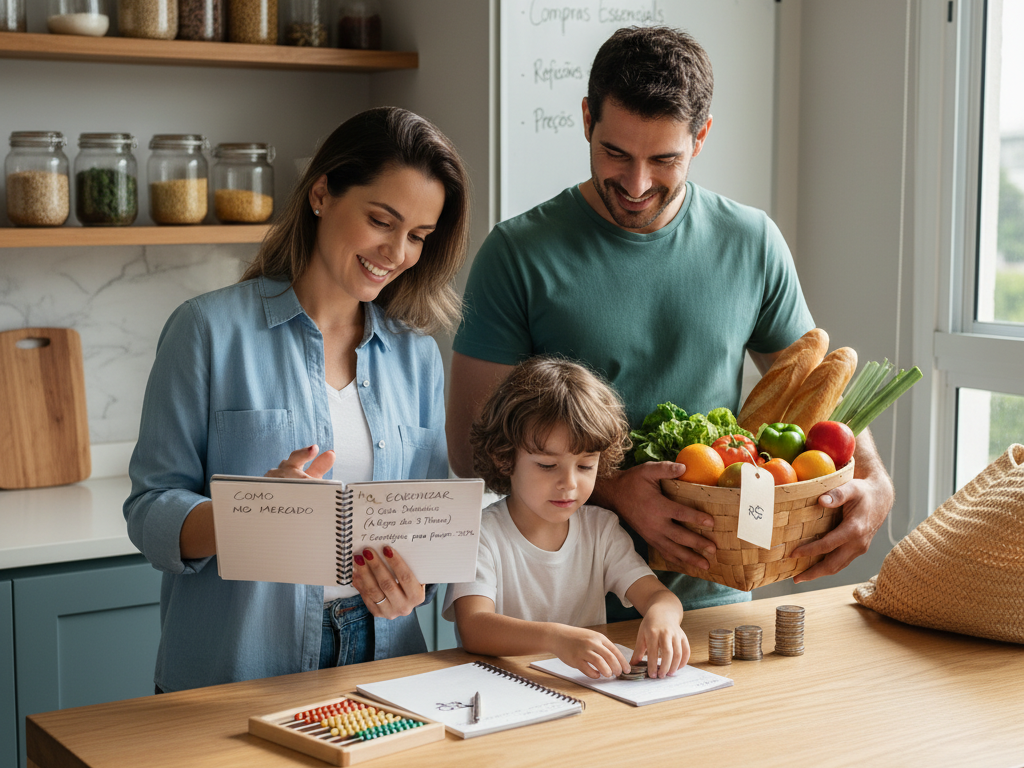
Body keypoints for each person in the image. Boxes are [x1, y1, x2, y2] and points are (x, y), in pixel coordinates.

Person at [446, 26, 895, 620]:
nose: (636, 185)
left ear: (701, 137)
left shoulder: (751, 241)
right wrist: (613, 488)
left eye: (664, 160)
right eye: (615, 153)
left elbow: (819, 388)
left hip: (720, 594)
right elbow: (469, 448)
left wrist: (875, 481)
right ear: (587, 119)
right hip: (563, 610)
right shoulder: (517, 253)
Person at [124, 106, 471, 692]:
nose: (397, 252)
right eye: (381, 221)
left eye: (418, 236)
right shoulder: (207, 331)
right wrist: (250, 514)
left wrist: (416, 585)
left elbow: (427, 529)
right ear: (321, 193)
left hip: (382, 662)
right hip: (239, 666)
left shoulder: (418, 356)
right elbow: (149, 512)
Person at [443, 357, 689, 678]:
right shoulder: (480, 533)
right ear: (504, 457)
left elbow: (658, 596)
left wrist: (662, 619)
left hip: (583, 692)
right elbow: (475, 626)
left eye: (586, 466)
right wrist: (556, 638)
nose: (570, 483)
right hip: (499, 691)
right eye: (547, 465)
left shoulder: (601, 530)